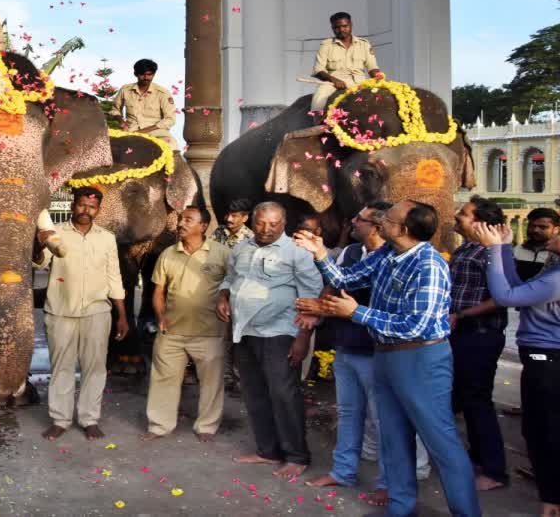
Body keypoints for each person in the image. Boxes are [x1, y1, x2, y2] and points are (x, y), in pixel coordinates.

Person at [294, 200, 482, 517]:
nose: (381, 222)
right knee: (393, 437)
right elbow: (344, 280)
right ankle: (400, 506)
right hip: (385, 355)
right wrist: (321, 254)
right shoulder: (388, 254)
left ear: (404, 229)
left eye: (388, 219)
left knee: (442, 443)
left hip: (421, 358)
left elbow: (416, 325)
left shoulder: (429, 265)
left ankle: (466, 512)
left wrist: (357, 312)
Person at [217, 202, 320, 479]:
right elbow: (230, 278)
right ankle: (267, 450)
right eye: (261, 223)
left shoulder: (297, 252)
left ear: (283, 223)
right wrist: (224, 296)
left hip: (280, 333)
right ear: (253, 220)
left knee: (284, 394)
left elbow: (312, 297)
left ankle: (297, 455)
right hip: (244, 331)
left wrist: (303, 339)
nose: (266, 229)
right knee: (254, 393)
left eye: (273, 224)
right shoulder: (242, 247)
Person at [302, 202, 393, 507]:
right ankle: (343, 472)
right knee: (348, 413)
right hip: (347, 345)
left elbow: (351, 289)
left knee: (382, 420)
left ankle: (388, 483)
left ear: (377, 226)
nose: (352, 221)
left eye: (360, 218)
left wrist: (324, 305)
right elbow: (335, 282)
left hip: (376, 350)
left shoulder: (392, 259)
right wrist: (318, 311)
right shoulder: (353, 252)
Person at [474, 220, 560, 517]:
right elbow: (519, 288)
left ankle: (552, 498)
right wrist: (504, 249)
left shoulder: (557, 279)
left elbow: (505, 297)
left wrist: (494, 250)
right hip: (543, 358)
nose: (554, 233)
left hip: (547, 361)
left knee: (544, 430)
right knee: (540, 427)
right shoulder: (552, 273)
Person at [34, 187, 128, 441]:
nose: (86, 211)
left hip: (97, 312)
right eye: (81, 205)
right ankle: (60, 420)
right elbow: (39, 263)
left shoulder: (106, 238)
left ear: (98, 210)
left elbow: (114, 277)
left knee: (95, 368)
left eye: (92, 207)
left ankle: (89, 419)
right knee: (62, 367)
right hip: (60, 311)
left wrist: (121, 315)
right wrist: (39, 243)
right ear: (73, 205)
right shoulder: (56, 233)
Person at [142, 207, 229, 442]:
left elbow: (233, 284)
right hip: (172, 331)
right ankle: (160, 425)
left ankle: (207, 427)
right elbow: (158, 291)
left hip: (210, 332)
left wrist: (225, 297)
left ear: (203, 227)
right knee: (163, 379)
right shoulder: (168, 254)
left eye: (188, 220)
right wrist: (160, 317)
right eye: (181, 219)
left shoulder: (221, 254)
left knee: (211, 383)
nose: (181, 223)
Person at [449, 196, 509, 491]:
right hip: (461, 334)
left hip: (480, 334)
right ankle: (475, 456)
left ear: (480, 222)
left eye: (463, 213)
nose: (457, 216)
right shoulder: (466, 249)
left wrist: (461, 314)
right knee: (462, 398)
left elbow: (501, 297)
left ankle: (494, 470)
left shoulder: (491, 252)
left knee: (477, 401)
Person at [309, 11, 383, 111]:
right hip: (333, 83)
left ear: (351, 25)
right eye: (337, 27)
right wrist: (334, 80)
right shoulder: (326, 45)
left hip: (360, 82)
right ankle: (318, 124)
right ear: (332, 28)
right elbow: (318, 70)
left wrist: (379, 77)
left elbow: (372, 67)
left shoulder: (364, 44)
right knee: (318, 101)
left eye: (345, 26)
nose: (341, 30)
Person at [110, 59, 178, 146]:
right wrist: (122, 122)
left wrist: (143, 132)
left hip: (156, 132)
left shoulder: (163, 93)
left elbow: (170, 119)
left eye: (149, 75)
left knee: (172, 145)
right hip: (130, 131)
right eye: (142, 74)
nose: (146, 78)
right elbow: (115, 110)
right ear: (136, 74)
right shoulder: (125, 90)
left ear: (154, 74)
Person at [514, 207, 560, 280]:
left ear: (556, 229)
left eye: (542, 227)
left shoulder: (557, 254)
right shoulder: (517, 250)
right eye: (532, 226)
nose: (535, 230)